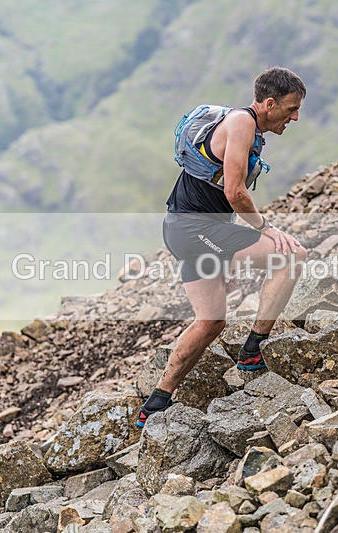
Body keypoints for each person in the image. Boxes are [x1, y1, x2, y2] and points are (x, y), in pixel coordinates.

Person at [137, 67, 309, 427]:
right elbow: (234, 192)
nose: (295, 117)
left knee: (211, 321)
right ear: (270, 103)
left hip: (185, 227)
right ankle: (252, 351)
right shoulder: (243, 124)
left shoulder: (241, 125)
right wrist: (267, 228)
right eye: (291, 109)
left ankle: (155, 404)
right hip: (195, 229)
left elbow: (217, 196)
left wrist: (225, 256)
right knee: (292, 254)